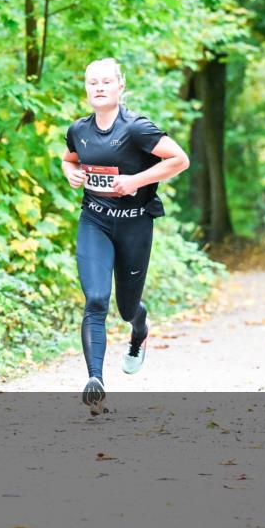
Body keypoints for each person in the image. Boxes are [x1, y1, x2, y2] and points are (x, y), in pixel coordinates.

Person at [61, 58, 190, 415]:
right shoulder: (79, 130)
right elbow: (69, 158)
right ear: (86, 89)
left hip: (135, 224)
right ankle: (95, 382)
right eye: (92, 83)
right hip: (95, 221)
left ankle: (139, 330)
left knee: (126, 308)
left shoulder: (136, 129)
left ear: (120, 87)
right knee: (96, 299)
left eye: (105, 82)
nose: (98, 88)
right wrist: (70, 173)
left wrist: (135, 182)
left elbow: (180, 159)